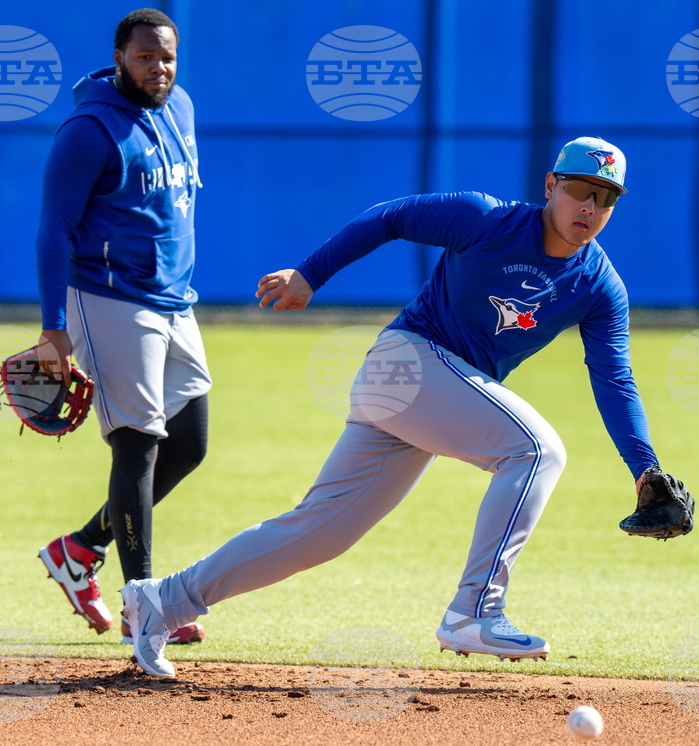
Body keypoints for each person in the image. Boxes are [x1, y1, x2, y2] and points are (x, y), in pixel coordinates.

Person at [122, 136, 665, 678]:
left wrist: (645, 470)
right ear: (551, 186)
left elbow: (614, 377)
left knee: (319, 532)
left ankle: (163, 601)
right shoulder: (484, 219)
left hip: (435, 396)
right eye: (579, 190)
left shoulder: (599, 286)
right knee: (535, 451)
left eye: (605, 197)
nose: (589, 207)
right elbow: (391, 217)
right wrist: (309, 275)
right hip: (407, 364)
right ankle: (476, 609)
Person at [35, 8, 210, 646]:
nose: (157, 68)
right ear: (119, 59)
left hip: (173, 302)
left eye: (165, 57)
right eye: (144, 58)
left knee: (189, 443)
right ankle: (146, 603)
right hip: (108, 297)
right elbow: (53, 229)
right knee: (137, 444)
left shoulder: (180, 106)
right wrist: (54, 329)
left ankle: (79, 549)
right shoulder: (89, 130)